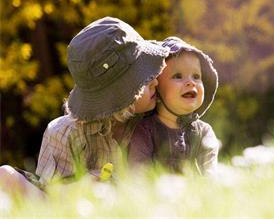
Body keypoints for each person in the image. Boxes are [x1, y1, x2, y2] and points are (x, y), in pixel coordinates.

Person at [0, 16, 169, 195]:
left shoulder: (159, 116)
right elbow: (51, 198)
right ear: (118, 96)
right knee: (5, 176)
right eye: (145, 77)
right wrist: (83, 188)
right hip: (76, 204)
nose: (155, 82)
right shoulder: (64, 133)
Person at [128, 37, 220, 175]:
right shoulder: (145, 130)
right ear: (157, 91)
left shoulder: (204, 132)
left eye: (196, 76)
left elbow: (210, 176)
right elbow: (138, 174)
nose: (191, 83)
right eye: (178, 76)